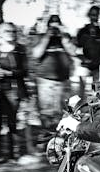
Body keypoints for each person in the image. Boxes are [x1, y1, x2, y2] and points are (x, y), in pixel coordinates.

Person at [31, 14, 75, 144]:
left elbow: (73, 52)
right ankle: (47, 139)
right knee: (46, 112)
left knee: (61, 111)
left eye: (57, 24)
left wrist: (63, 36)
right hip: (46, 80)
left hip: (63, 80)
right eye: (52, 24)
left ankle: (59, 140)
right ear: (48, 25)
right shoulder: (41, 37)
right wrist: (47, 36)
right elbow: (36, 53)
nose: (54, 26)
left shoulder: (65, 37)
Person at [0, 22, 29, 163]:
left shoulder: (19, 50)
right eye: (7, 31)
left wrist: (7, 73)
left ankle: (13, 154)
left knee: (12, 123)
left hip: (13, 91)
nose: (11, 33)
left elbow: (24, 71)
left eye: (13, 31)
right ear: (0, 33)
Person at [76, 5, 100, 82]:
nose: (94, 18)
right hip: (84, 65)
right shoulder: (82, 31)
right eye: (92, 15)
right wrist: (83, 59)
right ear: (89, 15)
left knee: (97, 91)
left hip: (97, 66)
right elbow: (77, 48)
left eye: (96, 15)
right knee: (81, 91)